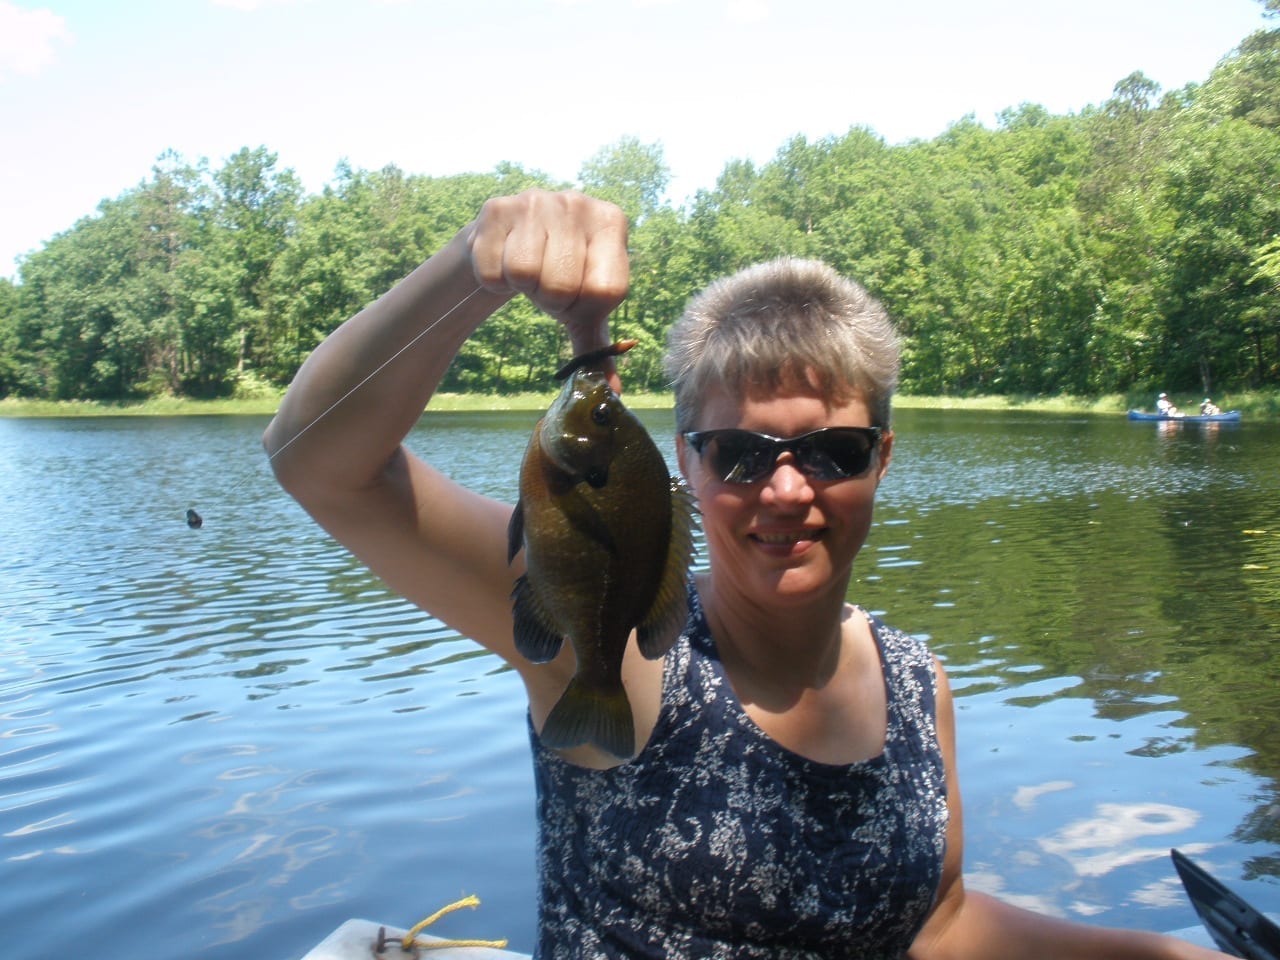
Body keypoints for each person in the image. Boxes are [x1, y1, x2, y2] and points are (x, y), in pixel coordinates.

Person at [266, 189, 1226, 959]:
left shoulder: (915, 683)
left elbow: (936, 928)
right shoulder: (629, 662)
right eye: (738, 454)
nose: (787, 491)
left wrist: (1163, 954)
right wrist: (469, 270)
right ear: (685, 463)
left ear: (882, 459)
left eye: (835, 452)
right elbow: (319, 461)